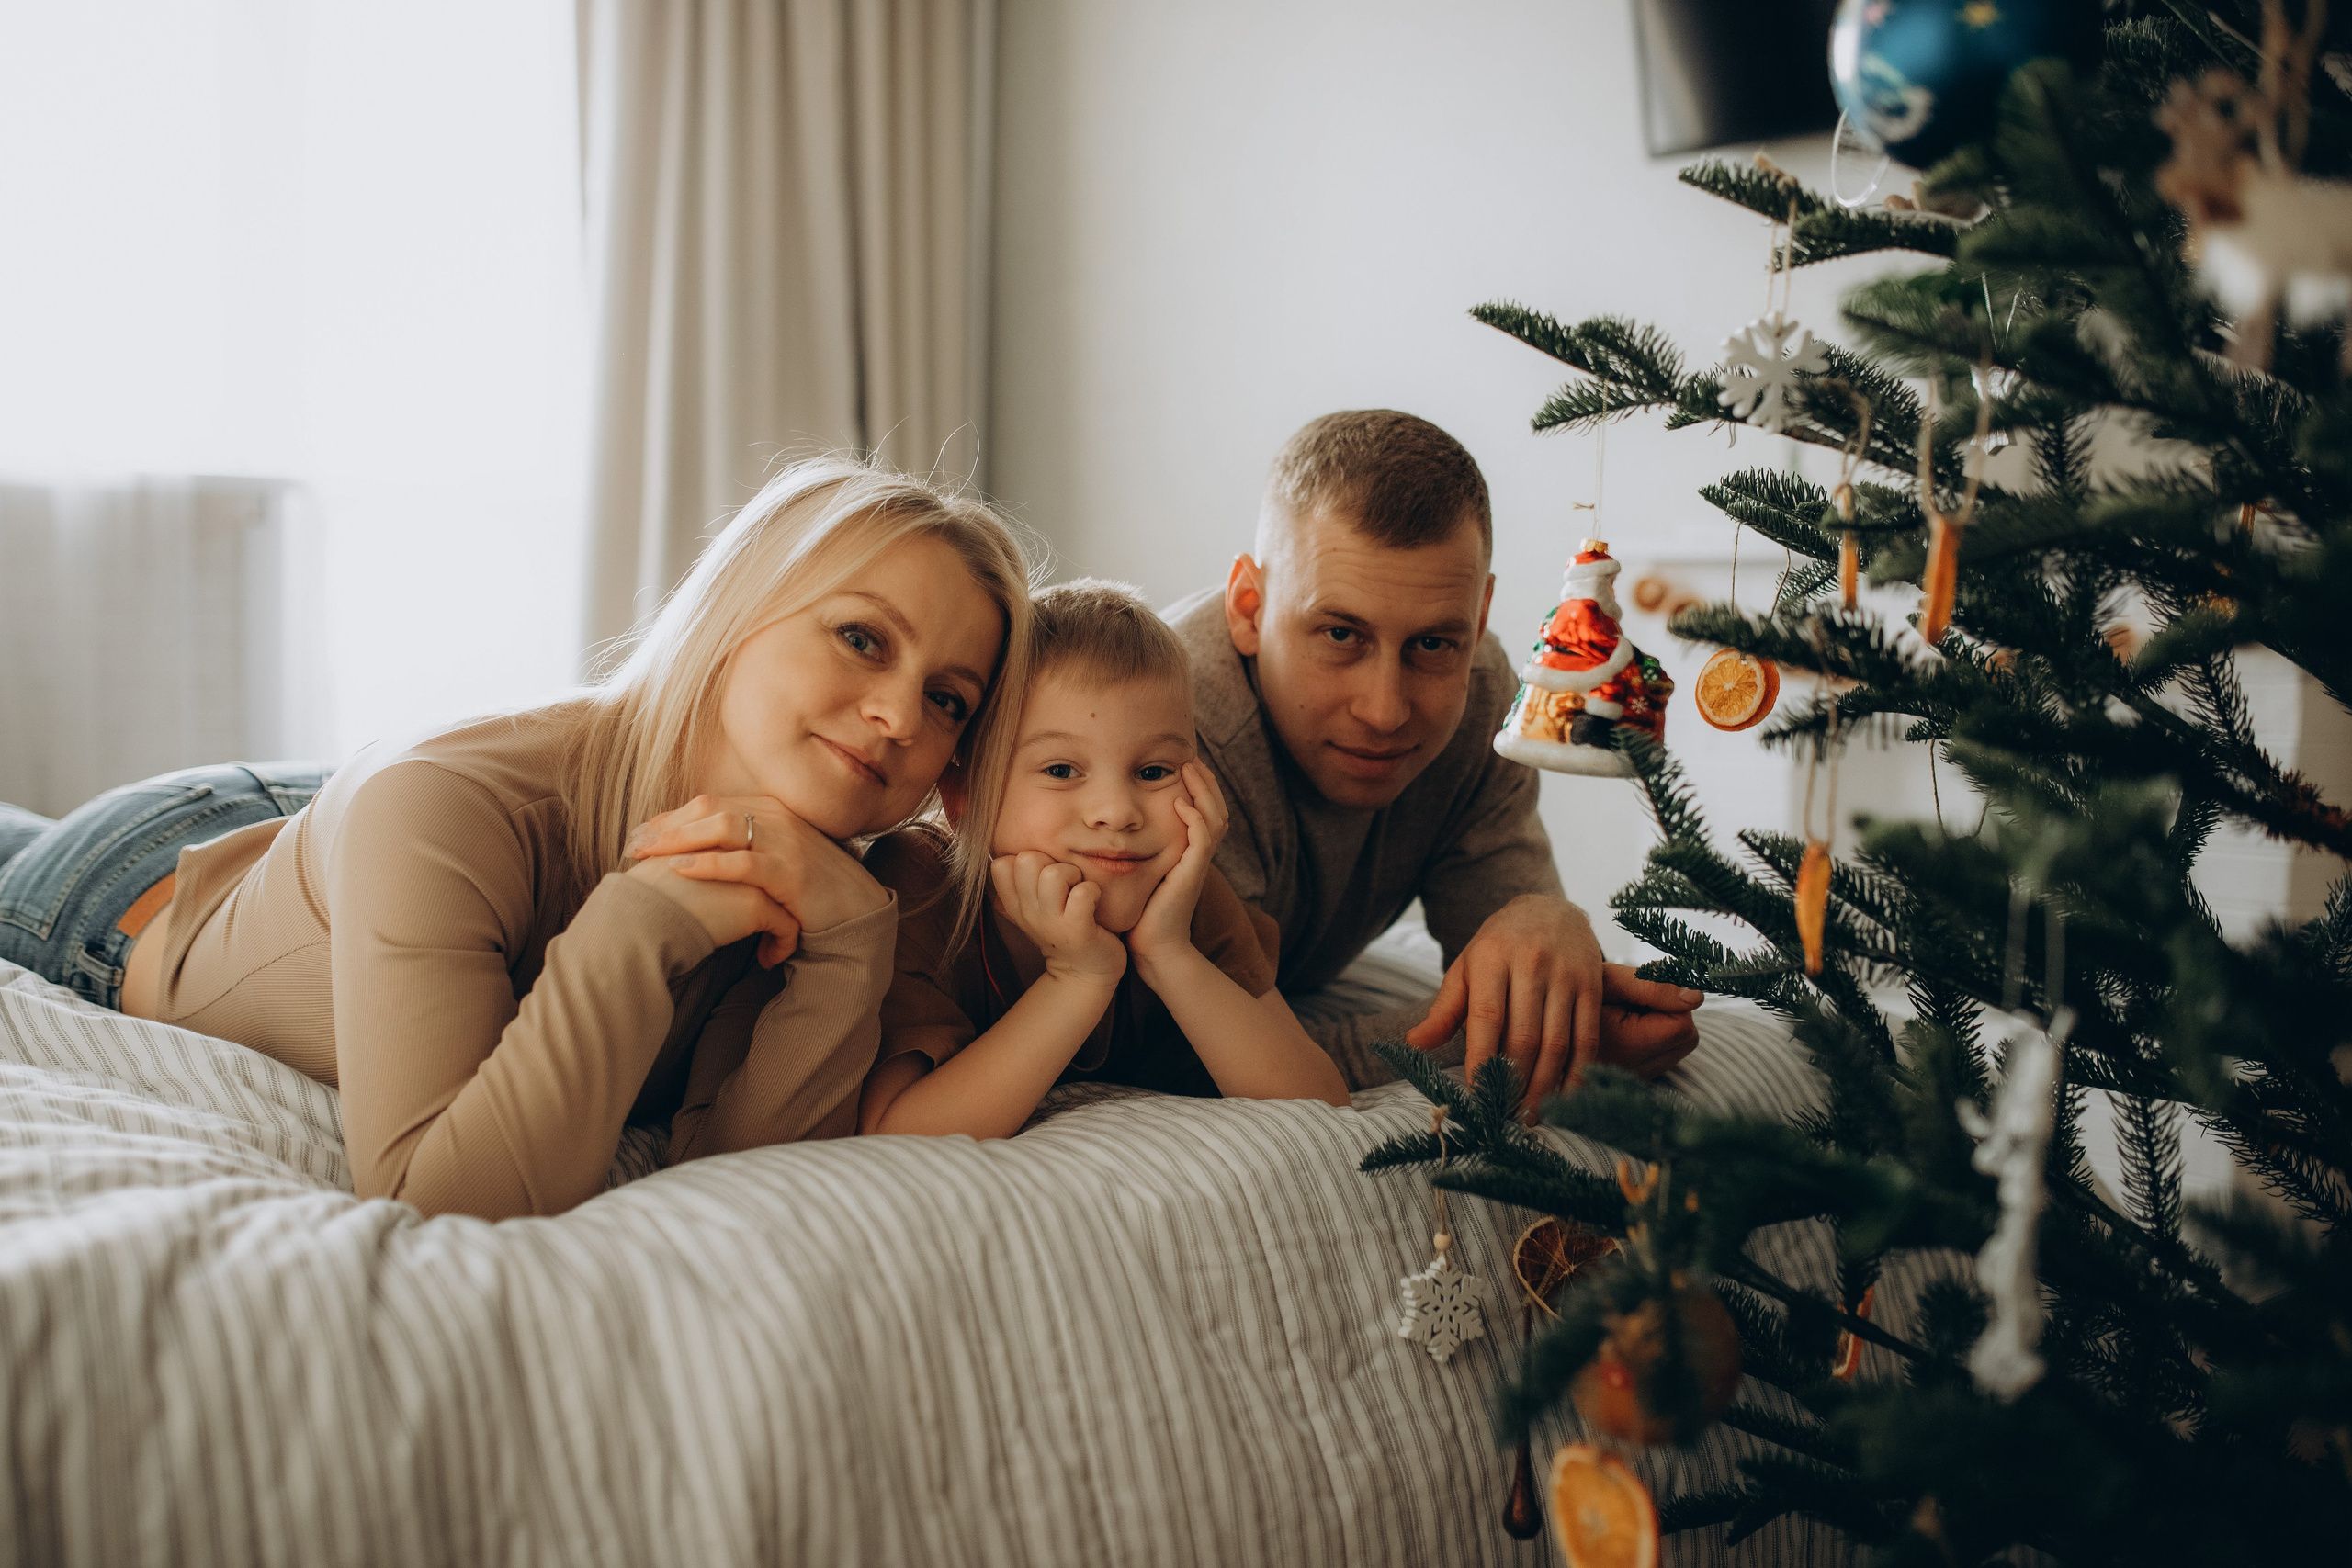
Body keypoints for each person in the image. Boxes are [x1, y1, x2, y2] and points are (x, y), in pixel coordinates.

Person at [0, 457, 1034, 1221]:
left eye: (948, 699)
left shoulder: (822, 875)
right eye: (862, 638)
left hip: (360, 832)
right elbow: (439, 1200)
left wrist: (849, 948)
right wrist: (640, 920)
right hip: (134, 895)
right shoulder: (444, 802)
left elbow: (736, 1169)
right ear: (740, 610)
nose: (901, 716)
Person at [1164, 410, 1704, 1108]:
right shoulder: (1168, 734)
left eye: (1433, 645)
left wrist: (1547, 922)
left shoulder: (1483, 696)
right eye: (1339, 633)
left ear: (1478, 620)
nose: (1385, 710)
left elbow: (1520, 967)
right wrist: (1509, 1035)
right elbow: (1193, 1052)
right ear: (1248, 606)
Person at [858, 581, 1349, 1139]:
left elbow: (1320, 1107)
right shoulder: (921, 886)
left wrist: (1168, 952)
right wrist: (1077, 979)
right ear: (963, 796)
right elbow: (898, 1133)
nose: (1118, 814)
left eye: (1154, 772)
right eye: (1062, 770)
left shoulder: (1180, 896)